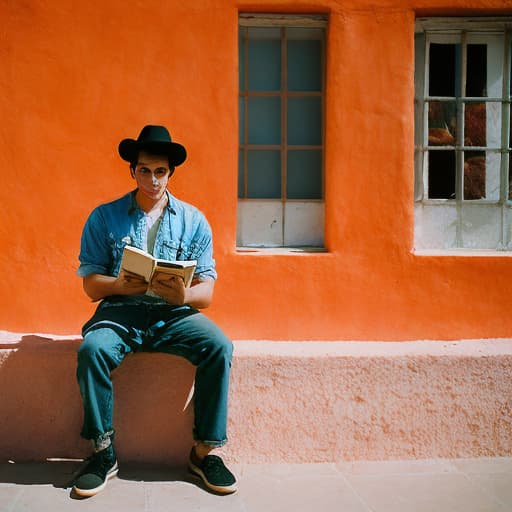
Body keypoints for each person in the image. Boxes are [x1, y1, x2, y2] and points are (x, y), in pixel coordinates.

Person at [73, 125, 236, 497]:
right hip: (120, 312)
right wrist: (117, 286)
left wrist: (183, 297)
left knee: (219, 346)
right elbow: (89, 285)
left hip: (173, 314)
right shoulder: (104, 217)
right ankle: (102, 452)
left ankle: (204, 452)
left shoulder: (194, 221)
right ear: (132, 171)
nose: (152, 179)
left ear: (170, 172)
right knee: (92, 350)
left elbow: (207, 292)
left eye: (159, 171)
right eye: (144, 170)